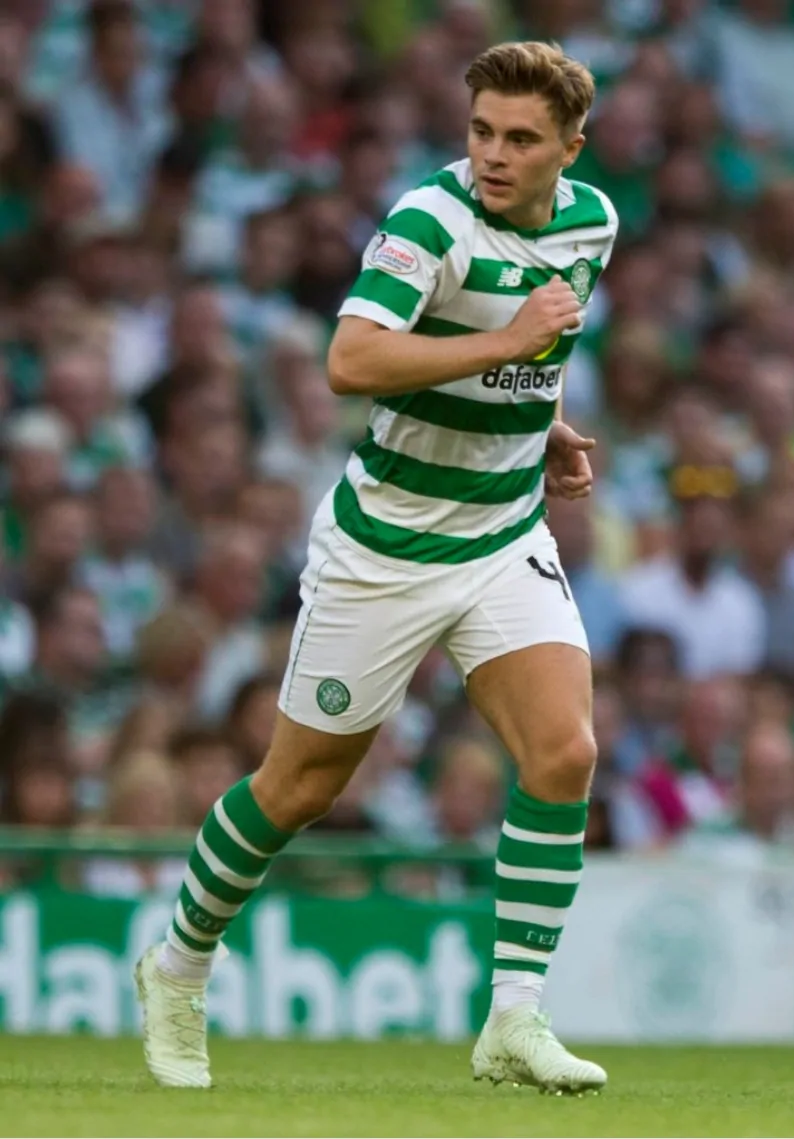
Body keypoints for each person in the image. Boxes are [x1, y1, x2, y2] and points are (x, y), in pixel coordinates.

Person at [135, 41, 617, 1094]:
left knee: (565, 751)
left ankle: (513, 1016)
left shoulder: (592, 222)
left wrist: (539, 427)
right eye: (481, 130)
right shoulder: (426, 222)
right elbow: (350, 360)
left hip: (502, 535)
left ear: (569, 150)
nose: (493, 154)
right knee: (298, 786)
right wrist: (507, 346)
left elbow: (525, 358)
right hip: (384, 548)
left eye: (520, 138)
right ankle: (176, 963)